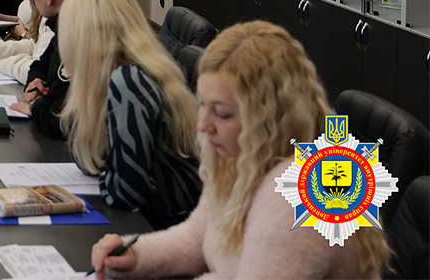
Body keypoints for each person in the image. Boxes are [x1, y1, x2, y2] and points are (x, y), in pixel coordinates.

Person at [90, 21, 391, 280]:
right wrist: (135, 255)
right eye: (204, 106)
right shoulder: (240, 158)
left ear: (268, 119)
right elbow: (197, 238)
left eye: (222, 113)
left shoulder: (300, 191)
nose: (203, 125)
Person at [59, 0, 201, 229]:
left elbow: (125, 192)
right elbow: (90, 163)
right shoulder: (132, 72)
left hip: (174, 229)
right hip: (169, 224)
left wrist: (110, 172)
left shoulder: (131, 81)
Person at [9, 0, 95, 137]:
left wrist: (35, 108)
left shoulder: (82, 35)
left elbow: (61, 116)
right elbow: (41, 64)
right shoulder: (65, 24)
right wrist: (35, 81)